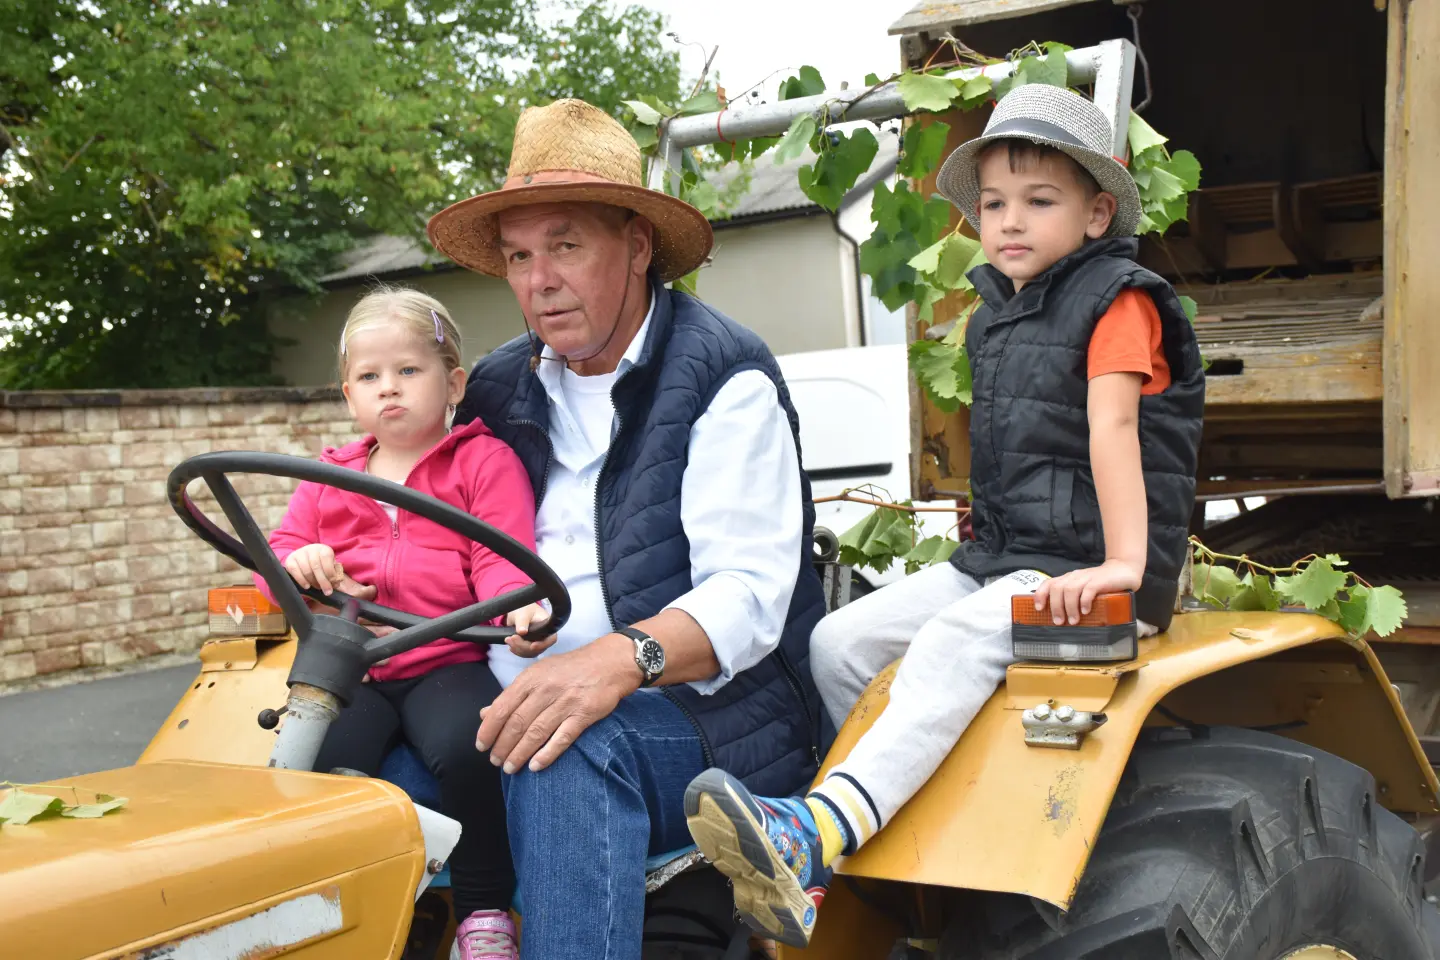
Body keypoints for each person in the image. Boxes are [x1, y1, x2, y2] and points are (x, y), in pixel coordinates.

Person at [684, 83, 1207, 947]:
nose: (1010, 221)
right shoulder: (996, 314)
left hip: (1097, 571)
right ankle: (886, 834)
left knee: (953, 642)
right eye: (995, 203)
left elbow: (1114, 430)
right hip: (1010, 557)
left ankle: (816, 835)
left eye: (1040, 202)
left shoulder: (1120, 299)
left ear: (1096, 212)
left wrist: (1123, 567)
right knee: (838, 643)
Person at [424, 97, 827, 959]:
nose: (540, 280)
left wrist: (611, 663)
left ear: (638, 245)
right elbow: (419, 511)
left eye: (566, 246)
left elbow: (750, 596)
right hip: (507, 698)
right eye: (520, 256)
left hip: (703, 712)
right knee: (357, 783)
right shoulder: (494, 388)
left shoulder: (722, 375)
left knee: (563, 751)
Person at [261, 286, 549, 960]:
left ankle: (482, 912)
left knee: (477, 748)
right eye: (370, 377)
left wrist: (519, 605)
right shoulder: (328, 477)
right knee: (315, 766)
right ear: (349, 396)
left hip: (443, 661)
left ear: (452, 383)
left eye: (408, 371)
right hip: (351, 661)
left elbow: (501, 558)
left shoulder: (482, 462)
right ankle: (333, 910)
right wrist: (302, 561)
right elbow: (271, 559)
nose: (388, 389)